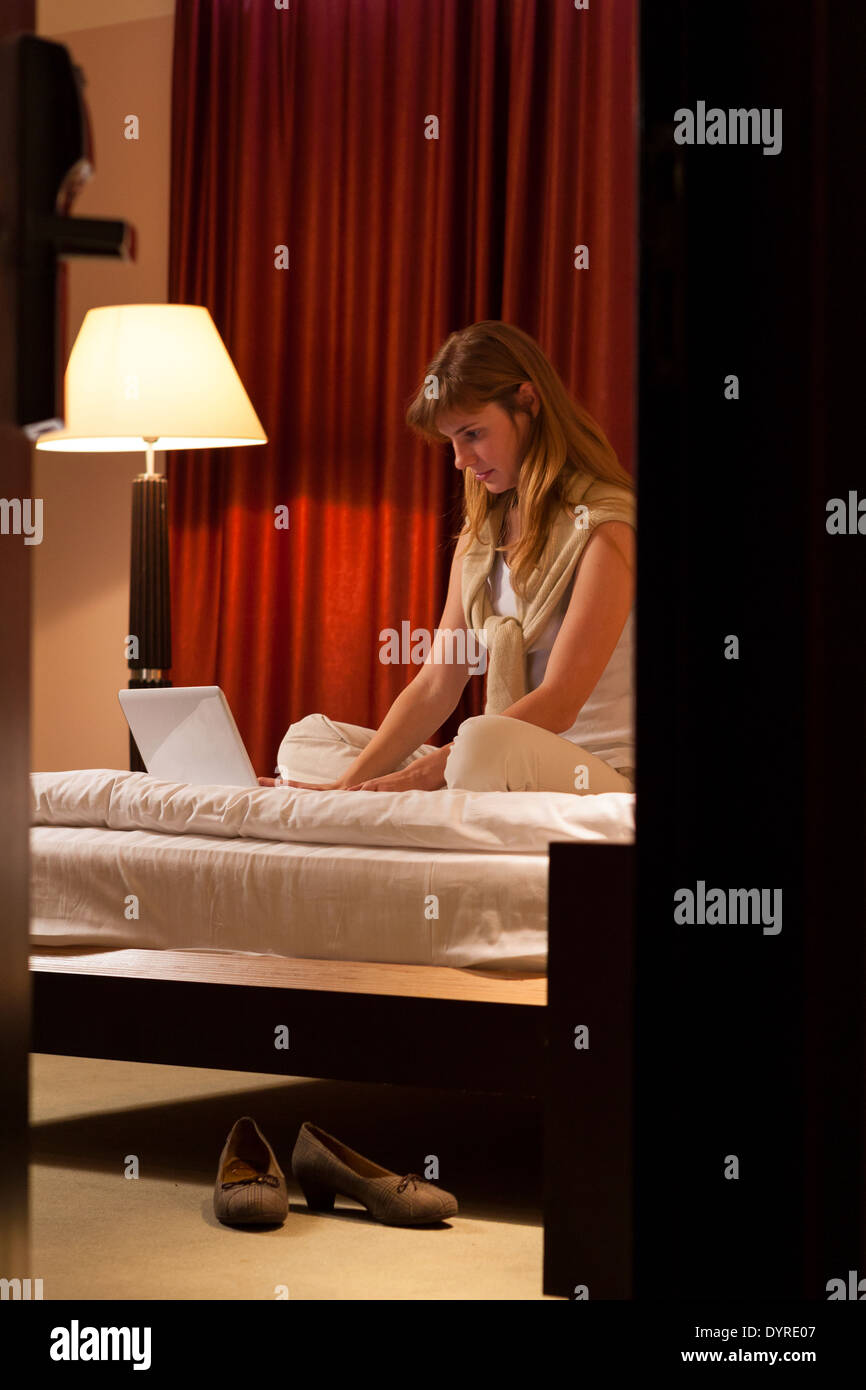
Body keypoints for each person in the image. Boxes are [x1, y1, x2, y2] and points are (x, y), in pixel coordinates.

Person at [259, 320, 635, 797]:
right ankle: (379, 796)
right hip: (491, 758)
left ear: (528, 402)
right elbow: (438, 682)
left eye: (473, 434)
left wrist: (415, 777)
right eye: (452, 441)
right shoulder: (481, 536)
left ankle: (423, 791)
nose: (460, 460)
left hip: (593, 770)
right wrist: (346, 787)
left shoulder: (605, 527)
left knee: (478, 745)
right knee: (307, 740)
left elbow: (559, 704)